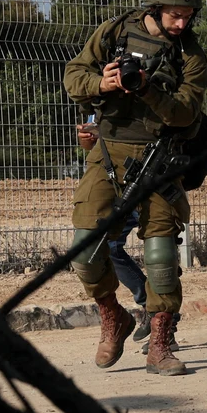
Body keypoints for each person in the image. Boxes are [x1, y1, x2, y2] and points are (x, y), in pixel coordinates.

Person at [63, 0, 207, 375]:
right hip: (107, 151)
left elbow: (186, 111)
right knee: (84, 249)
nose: (182, 24)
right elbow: (73, 76)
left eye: (188, 16)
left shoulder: (191, 55)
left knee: (161, 253)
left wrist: (148, 88)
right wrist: (102, 83)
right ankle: (113, 316)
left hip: (162, 155)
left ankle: (160, 344)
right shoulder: (114, 33)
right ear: (156, 8)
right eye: (175, 15)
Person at [76, 118, 155, 344]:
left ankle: (164, 327)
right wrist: (87, 139)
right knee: (106, 247)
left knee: (160, 247)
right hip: (117, 182)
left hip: (151, 171)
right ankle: (149, 307)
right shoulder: (98, 89)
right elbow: (93, 142)